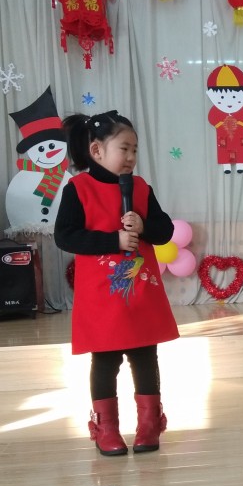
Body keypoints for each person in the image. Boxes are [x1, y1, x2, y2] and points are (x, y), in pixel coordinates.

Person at [54, 110, 179, 456]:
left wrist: (143, 225)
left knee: (145, 355)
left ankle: (149, 425)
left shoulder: (140, 188)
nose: (131, 157)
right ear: (96, 151)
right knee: (106, 360)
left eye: (134, 150)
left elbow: (165, 231)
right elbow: (65, 236)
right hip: (102, 296)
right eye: (124, 148)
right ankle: (106, 428)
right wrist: (114, 240)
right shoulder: (78, 189)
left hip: (140, 292)